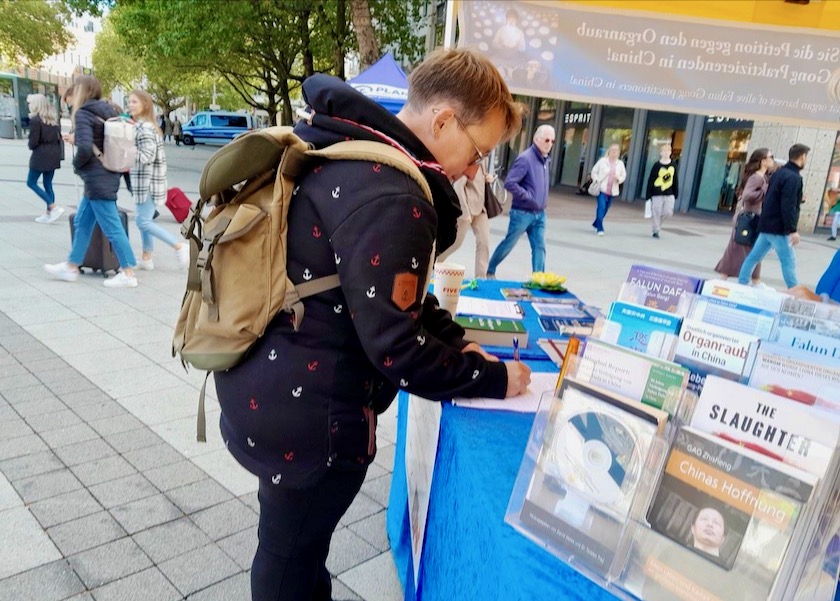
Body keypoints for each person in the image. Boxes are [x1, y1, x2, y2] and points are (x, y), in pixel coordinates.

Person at [213, 48, 531, 601]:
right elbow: (398, 349)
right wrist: (496, 381)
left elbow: (387, 296)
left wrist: (459, 341)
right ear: (442, 121)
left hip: (270, 384)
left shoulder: (346, 146)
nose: (475, 169)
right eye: (478, 151)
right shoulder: (394, 195)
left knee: (295, 548)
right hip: (312, 421)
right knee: (287, 560)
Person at [43, 75, 138, 288]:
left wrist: (77, 165)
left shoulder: (84, 113)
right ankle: (71, 266)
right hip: (109, 173)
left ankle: (128, 272)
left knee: (112, 226)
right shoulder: (108, 110)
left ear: (81, 91)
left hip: (97, 179)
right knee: (82, 222)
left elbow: (85, 147)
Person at [126, 89, 190, 271]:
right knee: (143, 219)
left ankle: (178, 246)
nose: (130, 105)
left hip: (148, 182)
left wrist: (126, 151)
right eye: (129, 101)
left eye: (134, 102)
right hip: (148, 182)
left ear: (145, 105)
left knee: (142, 221)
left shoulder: (145, 127)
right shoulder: (146, 125)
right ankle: (147, 257)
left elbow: (146, 156)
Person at [486, 125, 555, 278]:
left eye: (552, 141)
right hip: (522, 213)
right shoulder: (525, 159)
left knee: (539, 247)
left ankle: (539, 278)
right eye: (546, 140)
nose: (549, 144)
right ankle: (490, 269)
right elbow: (510, 182)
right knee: (509, 243)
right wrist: (528, 196)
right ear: (536, 139)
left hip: (540, 213)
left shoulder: (545, 160)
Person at [738, 143, 810, 288]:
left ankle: (742, 283)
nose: (806, 160)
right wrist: (792, 230)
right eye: (806, 157)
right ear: (802, 157)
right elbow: (787, 205)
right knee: (788, 261)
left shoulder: (778, 173)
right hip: (779, 228)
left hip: (766, 225)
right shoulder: (793, 178)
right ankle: (795, 290)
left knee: (754, 257)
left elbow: (774, 198)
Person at [714, 148, 775, 284]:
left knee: (744, 249)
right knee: (747, 250)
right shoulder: (756, 177)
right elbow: (747, 195)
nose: (772, 159)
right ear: (762, 161)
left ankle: (736, 278)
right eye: (770, 157)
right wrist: (764, 191)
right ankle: (752, 280)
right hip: (748, 218)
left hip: (752, 218)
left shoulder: (763, 176)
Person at [436, 163, 493, 278]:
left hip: (480, 208)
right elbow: (458, 186)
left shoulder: (482, 158)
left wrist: (486, 177)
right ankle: (434, 262)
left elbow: (479, 176)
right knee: (455, 243)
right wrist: (465, 212)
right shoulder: (469, 160)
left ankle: (481, 278)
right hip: (467, 208)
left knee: (484, 242)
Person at [26, 94, 64, 224]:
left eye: (30, 103)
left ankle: (53, 207)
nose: (29, 105)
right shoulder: (53, 120)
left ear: (36, 104)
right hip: (53, 155)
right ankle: (49, 213)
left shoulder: (36, 121)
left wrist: (30, 143)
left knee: (31, 182)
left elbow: (33, 143)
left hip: (40, 156)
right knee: (48, 183)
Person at [590, 143, 626, 236]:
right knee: (601, 206)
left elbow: (623, 176)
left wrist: (619, 179)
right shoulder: (602, 161)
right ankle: (600, 228)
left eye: (616, 150)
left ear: (618, 153)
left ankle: (596, 223)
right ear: (609, 151)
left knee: (606, 208)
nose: (614, 152)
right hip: (601, 188)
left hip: (612, 190)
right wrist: (597, 180)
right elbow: (594, 171)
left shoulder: (620, 163)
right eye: (612, 150)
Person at [646, 143, 678, 238]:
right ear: (661, 153)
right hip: (657, 192)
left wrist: (676, 192)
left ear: (670, 152)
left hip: (670, 192)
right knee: (656, 211)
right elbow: (651, 179)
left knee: (668, 212)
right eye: (664, 151)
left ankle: (658, 224)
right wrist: (649, 193)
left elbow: (675, 179)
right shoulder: (657, 165)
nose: (666, 153)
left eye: (668, 151)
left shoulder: (673, 165)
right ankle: (656, 230)